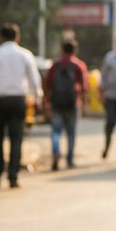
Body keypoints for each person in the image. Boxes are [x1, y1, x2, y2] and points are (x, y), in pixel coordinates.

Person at [0, 23, 42, 188]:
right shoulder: (25, 55)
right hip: (17, 100)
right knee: (16, 139)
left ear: (1, 37)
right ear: (17, 37)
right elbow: (34, 80)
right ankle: (13, 176)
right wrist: (38, 98)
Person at [44, 39, 88, 170]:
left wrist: (46, 103)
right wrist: (84, 105)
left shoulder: (55, 65)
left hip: (56, 103)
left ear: (62, 50)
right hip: (72, 103)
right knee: (71, 132)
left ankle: (56, 153)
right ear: (75, 51)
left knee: (56, 131)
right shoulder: (78, 65)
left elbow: (47, 85)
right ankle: (69, 158)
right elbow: (84, 87)